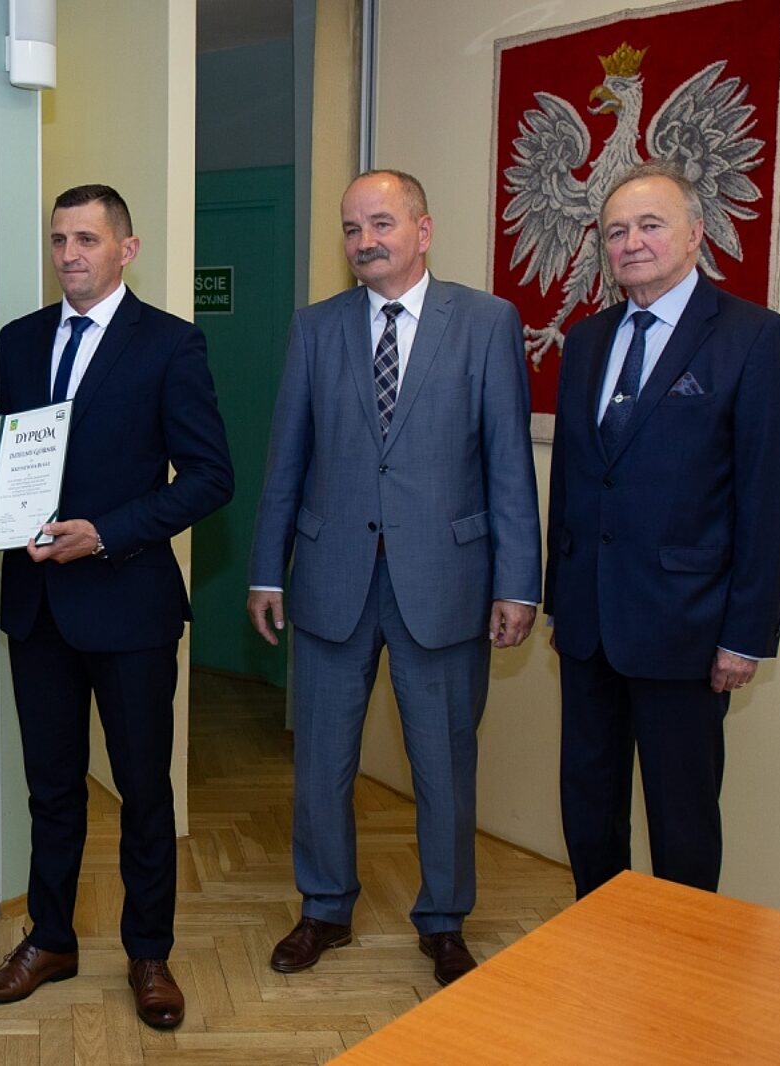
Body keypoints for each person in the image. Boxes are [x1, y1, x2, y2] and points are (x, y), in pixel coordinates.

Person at [246, 170, 541, 986]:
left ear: (423, 229)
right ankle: (324, 907)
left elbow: (508, 465)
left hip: (445, 583)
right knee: (321, 764)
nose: (365, 241)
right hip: (331, 579)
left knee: (444, 765)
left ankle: (444, 920)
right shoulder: (315, 328)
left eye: (381, 223)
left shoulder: (485, 323)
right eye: (351, 228)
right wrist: (267, 570)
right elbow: (286, 459)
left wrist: (518, 583)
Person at [0, 184, 233, 1030]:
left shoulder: (170, 343)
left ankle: (149, 954)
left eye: (87, 239)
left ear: (127, 248)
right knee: (51, 789)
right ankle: (50, 940)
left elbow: (210, 477)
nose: (70, 254)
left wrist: (108, 533)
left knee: (144, 793)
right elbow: (7, 462)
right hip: (38, 608)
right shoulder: (18, 341)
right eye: (59, 239)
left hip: (129, 609)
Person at [546, 163, 780, 899]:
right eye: (615, 232)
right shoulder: (586, 340)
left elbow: (769, 498)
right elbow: (574, 480)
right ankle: (598, 936)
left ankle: (685, 959)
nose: (631, 243)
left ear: (694, 234)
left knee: (682, 822)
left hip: (688, 630)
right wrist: (559, 601)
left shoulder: (751, 337)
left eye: (650, 225)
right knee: (588, 808)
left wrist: (746, 634)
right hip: (590, 625)